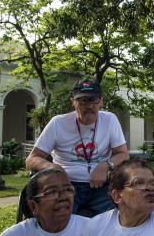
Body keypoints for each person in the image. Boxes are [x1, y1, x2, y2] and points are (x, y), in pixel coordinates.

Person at [26, 79, 129, 217]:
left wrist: (105, 165)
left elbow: (123, 154)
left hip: (101, 185)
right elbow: (31, 159)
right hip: (66, 186)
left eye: (94, 100)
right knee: (60, 221)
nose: (90, 106)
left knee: (115, 220)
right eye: (83, 101)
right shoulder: (58, 123)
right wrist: (54, 168)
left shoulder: (110, 120)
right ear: (73, 102)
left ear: (101, 101)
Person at [0, 169, 89, 236]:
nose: (63, 197)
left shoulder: (91, 230)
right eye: (51, 192)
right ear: (33, 206)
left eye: (68, 190)